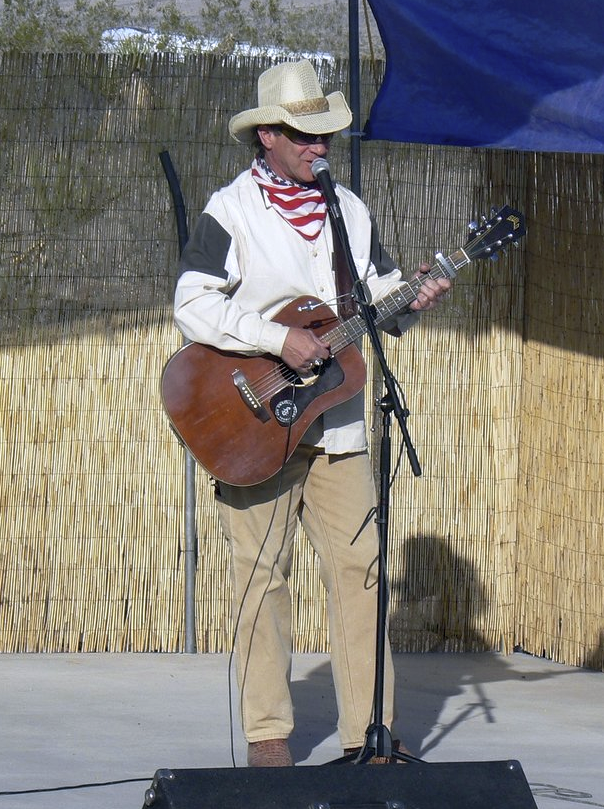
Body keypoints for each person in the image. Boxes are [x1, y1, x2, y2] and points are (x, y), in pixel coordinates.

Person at [173, 59, 450, 767]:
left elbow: (379, 297)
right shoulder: (230, 210)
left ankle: (368, 734)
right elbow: (193, 303)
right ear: (266, 135)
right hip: (254, 422)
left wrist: (412, 297)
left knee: (361, 569)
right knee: (261, 575)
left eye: (324, 133)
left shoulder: (349, 210)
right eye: (303, 134)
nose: (318, 145)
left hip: (338, 426)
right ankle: (268, 735)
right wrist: (276, 340)